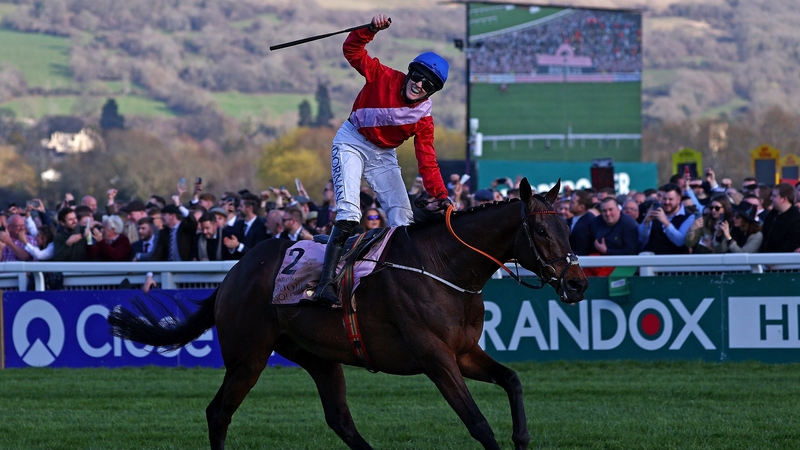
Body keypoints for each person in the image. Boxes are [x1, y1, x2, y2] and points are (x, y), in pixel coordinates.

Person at [314, 14, 451, 304]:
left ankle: (397, 283)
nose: (419, 86)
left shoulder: (424, 118)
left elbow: (428, 160)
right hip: (351, 140)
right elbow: (352, 51)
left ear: (433, 91)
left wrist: (441, 195)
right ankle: (325, 284)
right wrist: (369, 30)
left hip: (382, 155)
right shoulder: (383, 75)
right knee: (351, 213)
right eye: (418, 77)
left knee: (404, 218)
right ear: (410, 72)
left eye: (428, 85)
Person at [638, 183, 693, 254]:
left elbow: (680, 242)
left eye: (670, 199)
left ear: (679, 200)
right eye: (664, 199)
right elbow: (642, 238)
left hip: (677, 261)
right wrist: (646, 221)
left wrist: (665, 222)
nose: (667, 202)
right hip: (654, 261)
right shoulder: (656, 211)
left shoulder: (689, 217)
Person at [760, 183, 800, 253]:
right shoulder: (772, 214)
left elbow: (791, 245)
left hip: (780, 262)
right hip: (764, 259)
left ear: (784, 199)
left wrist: (773, 259)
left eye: (774, 196)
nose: (771, 198)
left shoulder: (796, 219)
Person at [224, 194, 268, 258]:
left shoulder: (261, 226)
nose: (238, 208)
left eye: (241, 206)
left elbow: (257, 252)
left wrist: (238, 246)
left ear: (249, 208)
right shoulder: (238, 225)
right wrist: (231, 245)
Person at [568, 191, 595, 256]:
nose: (569, 204)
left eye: (572, 202)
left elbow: (582, 250)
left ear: (582, 207)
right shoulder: (572, 219)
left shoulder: (587, 223)